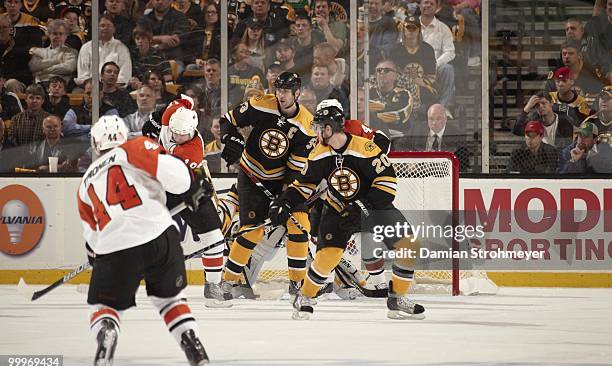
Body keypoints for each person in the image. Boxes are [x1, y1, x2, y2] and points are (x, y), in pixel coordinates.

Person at [77, 115, 211, 366]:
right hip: (159, 234)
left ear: (95, 144)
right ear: (124, 136)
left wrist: (97, 256)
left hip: (113, 246)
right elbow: (179, 178)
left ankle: (107, 329)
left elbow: (92, 236)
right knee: (169, 300)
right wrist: (192, 188)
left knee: (104, 307)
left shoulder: (84, 183)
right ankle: (190, 339)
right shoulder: (135, 148)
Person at [268, 99, 425, 320]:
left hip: (373, 206)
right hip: (338, 209)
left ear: (330, 128)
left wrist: (362, 206)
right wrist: (284, 201)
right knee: (327, 256)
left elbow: (387, 183)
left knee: (409, 244)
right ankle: (305, 297)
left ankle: (397, 298)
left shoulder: (365, 148)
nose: (316, 132)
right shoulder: (319, 153)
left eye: (319, 127)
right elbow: (304, 186)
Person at [219, 72, 316, 297]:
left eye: (285, 91)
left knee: (300, 224)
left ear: (297, 93)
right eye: (278, 90)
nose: (280, 95)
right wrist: (229, 138)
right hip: (251, 175)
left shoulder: (307, 127)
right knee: (252, 232)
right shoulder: (261, 104)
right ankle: (227, 281)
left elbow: (294, 172)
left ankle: (298, 285)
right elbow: (228, 121)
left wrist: (284, 200)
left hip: (282, 182)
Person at [148, 97, 229, 308]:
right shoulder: (172, 114)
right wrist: (154, 119)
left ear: (193, 130)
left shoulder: (192, 149)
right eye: (176, 133)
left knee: (215, 238)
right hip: (160, 185)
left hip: (189, 187)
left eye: (184, 134)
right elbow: (184, 101)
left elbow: (169, 170)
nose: (179, 137)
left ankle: (213, 286)